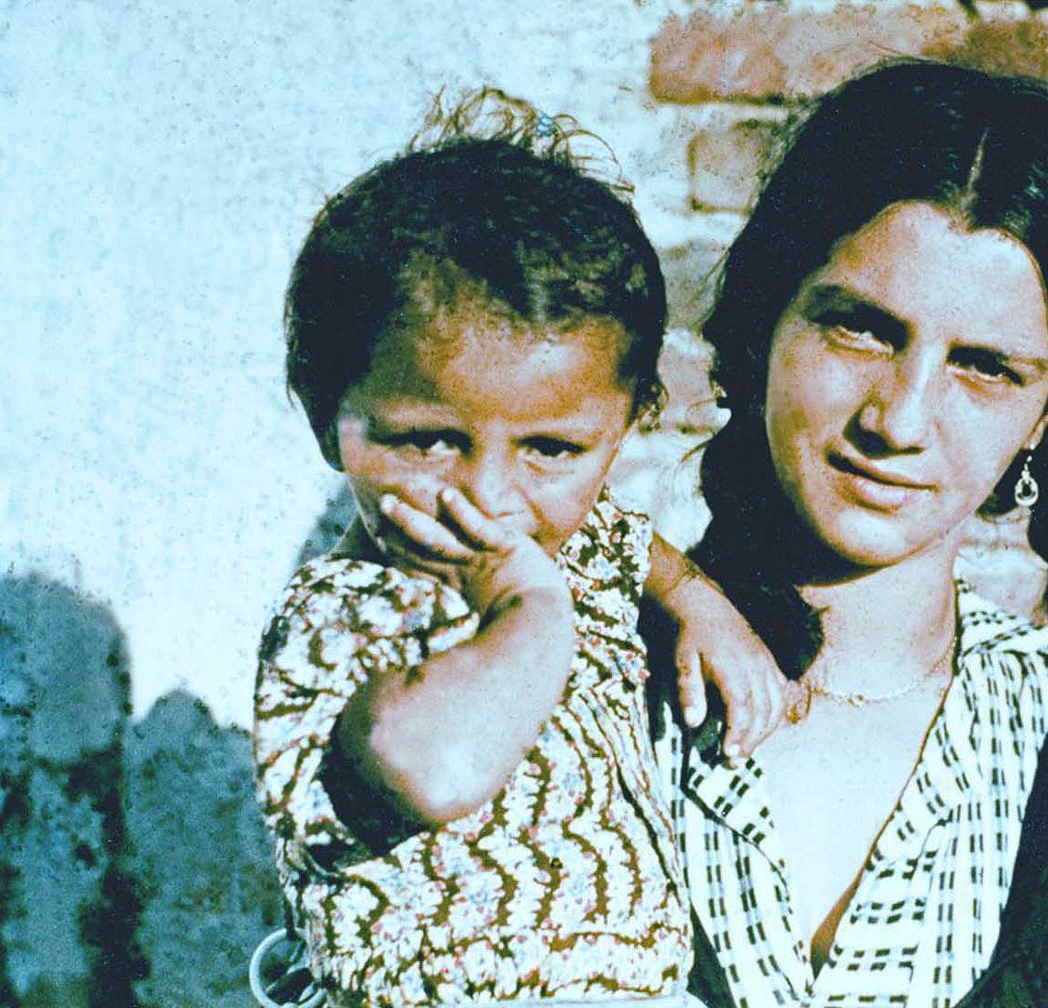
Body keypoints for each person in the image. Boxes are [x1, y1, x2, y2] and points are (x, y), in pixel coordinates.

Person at [649, 60, 1048, 1007]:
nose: (901, 419)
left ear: (1045, 418)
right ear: (765, 326)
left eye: (985, 368)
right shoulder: (573, 667)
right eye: (862, 329)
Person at [251, 93, 785, 1008]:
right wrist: (529, 611)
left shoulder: (574, 541)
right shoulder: (344, 619)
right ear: (325, 416)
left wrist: (697, 602)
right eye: (426, 439)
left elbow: (625, 539)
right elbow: (440, 767)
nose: (489, 499)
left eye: (551, 450)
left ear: (628, 429)